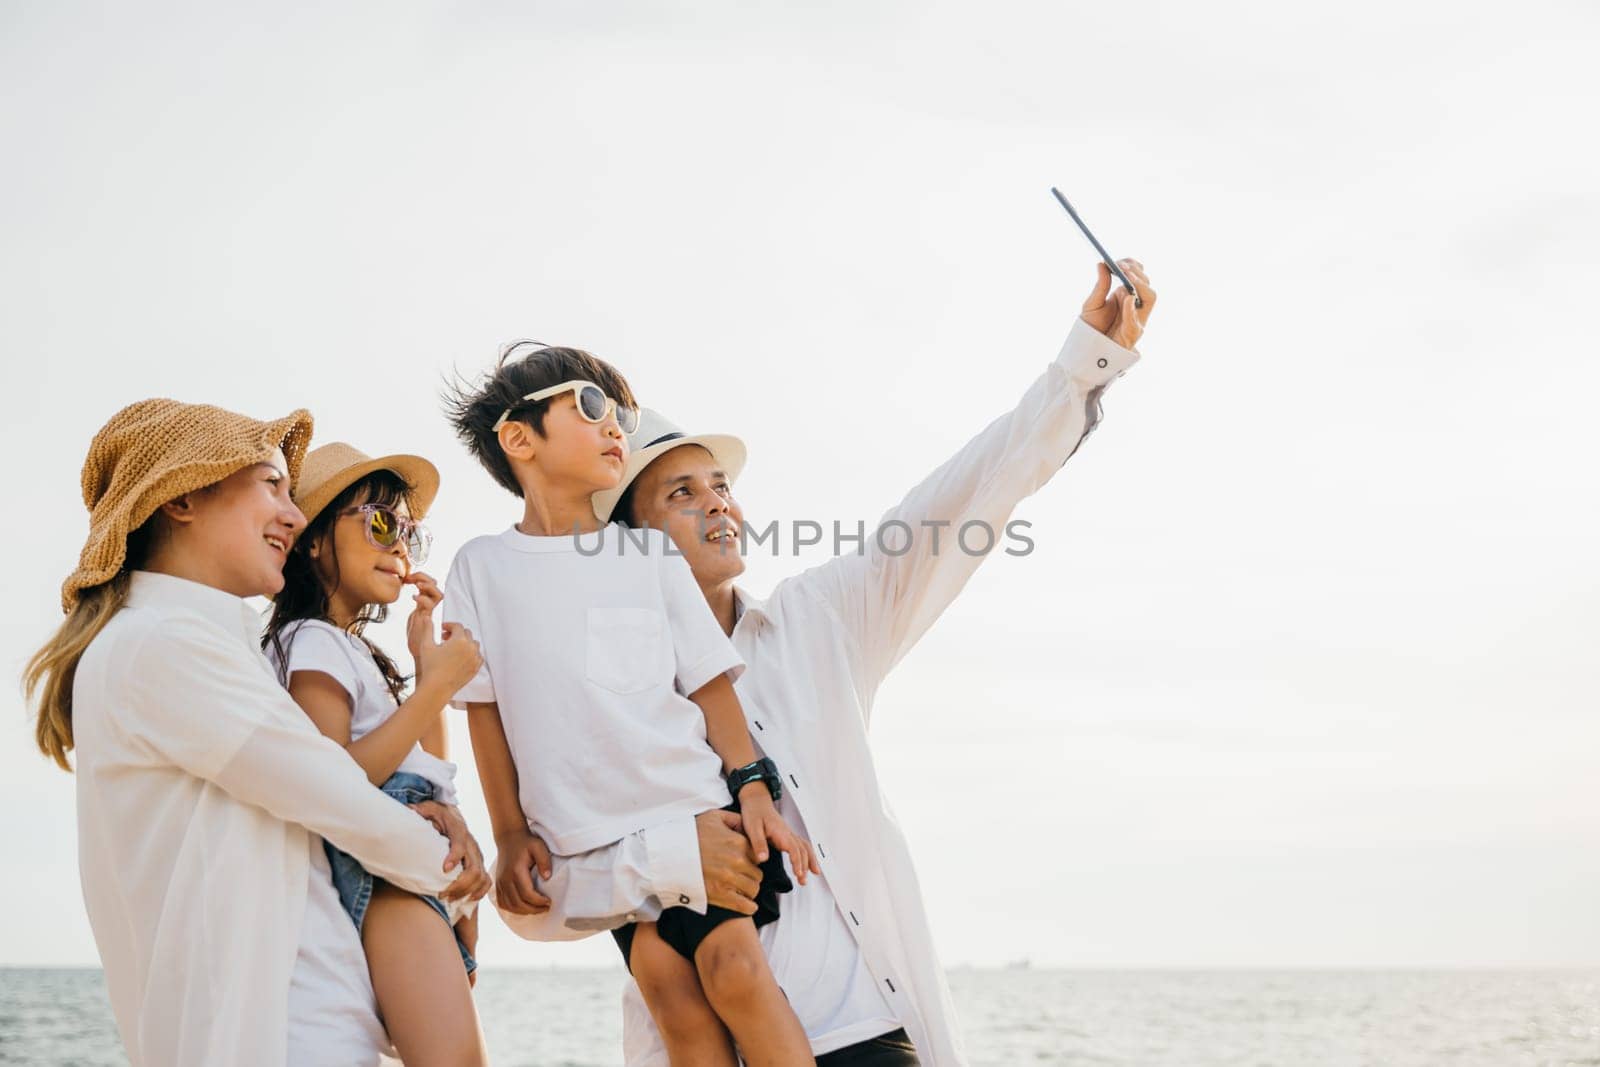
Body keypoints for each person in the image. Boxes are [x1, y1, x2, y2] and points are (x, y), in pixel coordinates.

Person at [489, 259, 1157, 1065]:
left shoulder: (819, 619)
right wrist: (667, 861)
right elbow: (533, 900)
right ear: (628, 541)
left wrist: (1086, 359)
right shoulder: (592, 690)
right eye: (682, 494)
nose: (719, 505)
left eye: (720, 485)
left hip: (875, 1030)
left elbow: (960, 501)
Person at [24, 400, 485, 1067]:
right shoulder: (164, 644)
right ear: (183, 497)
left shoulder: (223, 646)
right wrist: (456, 870)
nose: (294, 515)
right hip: (279, 1037)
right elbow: (337, 794)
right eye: (272, 484)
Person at [441, 345, 822, 1066]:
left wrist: (754, 786)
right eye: (591, 405)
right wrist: (509, 832)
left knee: (736, 974)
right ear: (520, 438)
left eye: (623, 412)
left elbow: (710, 684)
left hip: (692, 813)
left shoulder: (649, 557)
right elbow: (482, 710)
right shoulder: (480, 567)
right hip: (597, 845)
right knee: (670, 996)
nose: (616, 424)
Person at [263, 442, 491, 1067]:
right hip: (384, 873)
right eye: (381, 523)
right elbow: (337, 778)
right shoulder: (309, 640)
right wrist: (440, 686)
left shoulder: (348, 649)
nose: (399, 547)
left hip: (409, 860)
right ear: (313, 540)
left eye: (410, 534)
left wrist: (424, 670)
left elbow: (428, 772)